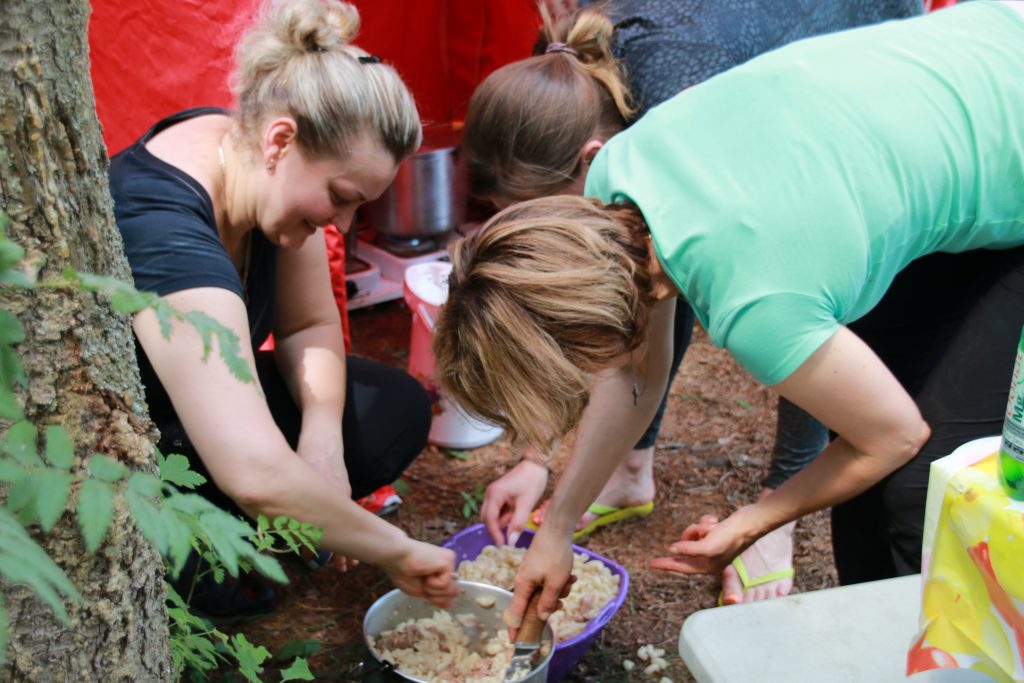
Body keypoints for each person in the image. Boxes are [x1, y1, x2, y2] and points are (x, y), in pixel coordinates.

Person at [435, 0, 1024, 626]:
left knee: (918, 495)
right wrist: (555, 529)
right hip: (974, 56)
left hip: (1006, 114)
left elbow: (893, 436)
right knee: (872, 486)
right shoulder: (613, 180)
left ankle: (948, 654)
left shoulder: (757, 305)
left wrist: (753, 522)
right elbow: (636, 374)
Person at [108, 0, 458, 616]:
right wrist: (396, 552)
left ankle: (269, 522)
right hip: (131, 449)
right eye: (341, 197)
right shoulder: (164, 227)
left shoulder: (259, 165)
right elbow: (251, 469)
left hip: (206, 425)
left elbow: (309, 324)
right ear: (280, 141)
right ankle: (232, 541)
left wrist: (321, 443)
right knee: (211, 591)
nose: (343, 225)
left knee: (394, 410)